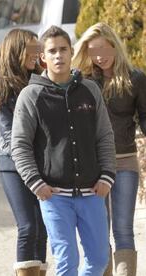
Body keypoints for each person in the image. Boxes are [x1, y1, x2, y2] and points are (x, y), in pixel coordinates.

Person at [11, 25, 116, 275]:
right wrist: (36, 183)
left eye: (63, 49)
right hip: (55, 196)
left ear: (72, 52)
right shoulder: (30, 95)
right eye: (52, 51)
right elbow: (20, 145)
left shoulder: (90, 90)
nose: (58, 55)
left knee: (99, 260)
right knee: (67, 261)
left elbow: (104, 135)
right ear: (43, 57)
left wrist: (107, 175)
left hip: (93, 192)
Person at [72, 22, 146, 276]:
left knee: (123, 228)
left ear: (115, 46)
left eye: (104, 49)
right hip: (92, 165)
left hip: (124, 161)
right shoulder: (81, 81)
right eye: (92, 51)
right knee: (98, 229)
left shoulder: (135, 79)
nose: (99, 56)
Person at [0, 29, 48, 276]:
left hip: (41, 163)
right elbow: (8, 131)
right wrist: (29, 162)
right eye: (33, 50)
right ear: (16, 50)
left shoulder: (40, 81)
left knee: (42, 228)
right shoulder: (0, 86)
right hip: (12, 164)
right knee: (27, 226)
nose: (37, 55)